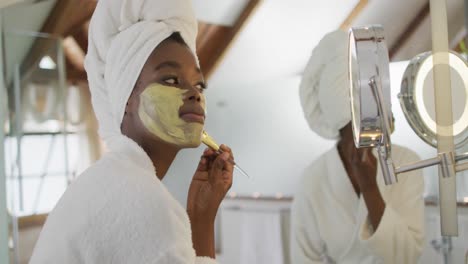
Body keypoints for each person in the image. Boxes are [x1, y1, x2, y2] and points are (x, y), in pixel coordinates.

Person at [30, 0, 233, 263]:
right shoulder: (137, 197)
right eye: (171, 80)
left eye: (199, 84)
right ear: (127, 98)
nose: (194, 93)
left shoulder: (114, 180)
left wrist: (202, 215)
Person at [290, 29, 425, 264]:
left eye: (378, 114)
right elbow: (303, 258)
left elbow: (407, 254)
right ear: (340, 129)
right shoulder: (313, 180)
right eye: (357, 126)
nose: (380, 129)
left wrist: (370, 187)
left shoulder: (406, 163)